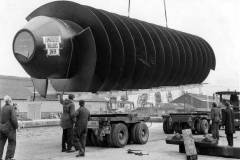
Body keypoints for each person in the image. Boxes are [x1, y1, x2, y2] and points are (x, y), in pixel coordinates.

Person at [0, 95, 18, 160]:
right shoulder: (11, 108)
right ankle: (8, 158)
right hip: (9, 129)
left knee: (1, 143)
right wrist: (16, 126)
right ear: (10, 101)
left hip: (1, 128)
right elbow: (14, 119)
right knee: (12, 142)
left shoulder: (2, 108)